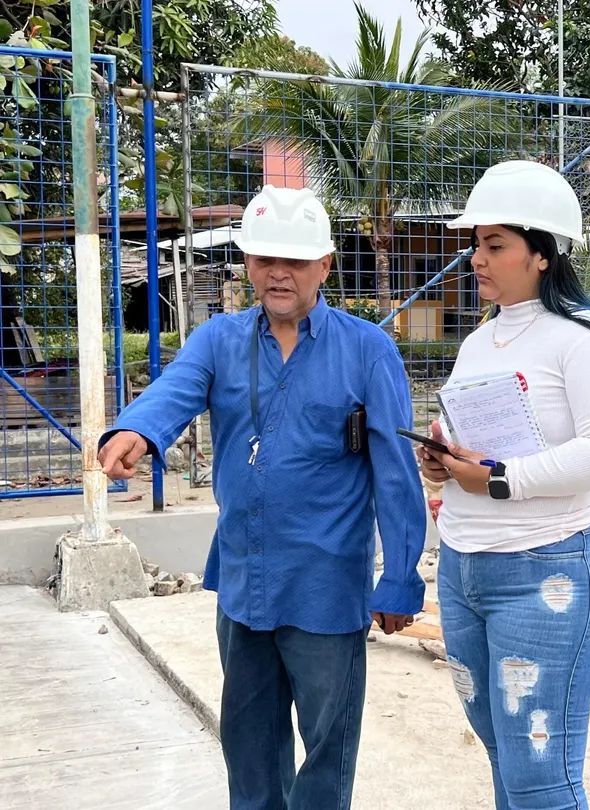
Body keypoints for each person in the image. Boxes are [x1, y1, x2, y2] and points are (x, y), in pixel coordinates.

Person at [97, 185, 427, 810]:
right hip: (245, 581)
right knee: (248, 747)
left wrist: (401, 575)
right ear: (247, 263)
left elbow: (394, 473)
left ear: (325, 265)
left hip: (326, 584)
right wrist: (136, 430)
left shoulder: (366, 349)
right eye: (265, 258)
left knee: (327, 750)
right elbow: (175, 389)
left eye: (295, 260)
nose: (279, 273)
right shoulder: (219, 340)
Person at [417, 160, 590, 809]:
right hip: (465, 570)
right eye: (476, 244)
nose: (476, 259)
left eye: (495, 245)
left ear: (542, 253)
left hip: (549, 569)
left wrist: (498, 481)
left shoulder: (587, 338)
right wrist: (442, 462)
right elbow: (475, 442)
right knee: (504, 755)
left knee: (541, 776)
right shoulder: (482, 341)